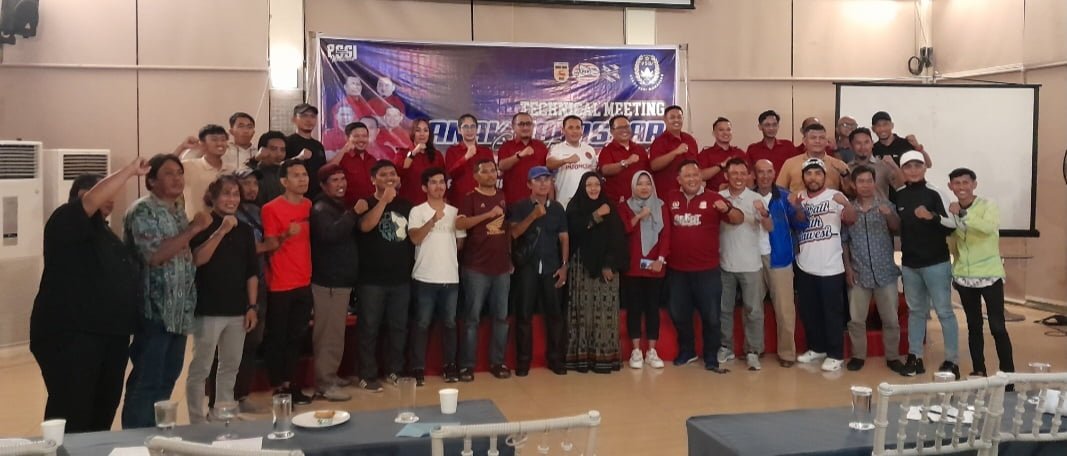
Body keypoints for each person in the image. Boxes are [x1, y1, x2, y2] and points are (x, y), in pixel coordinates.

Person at [30, 160, 147, 432]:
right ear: (80, 196)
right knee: (73, 409)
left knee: (102, 409)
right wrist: (129, 171)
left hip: (110, 334)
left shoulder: (105, 233)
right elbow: (92, 199)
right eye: (103, 192)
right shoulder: (64, 220)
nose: (110, 198)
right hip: (73, 335)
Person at [122, 154, 211, 429]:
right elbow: (154, 255)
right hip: (155, 311)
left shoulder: (177, 209)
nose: (177, 178)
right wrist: (194, 229)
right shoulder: (142, 211)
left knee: (167, 378)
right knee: (147, 380)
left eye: (180, 173)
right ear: (151, 181)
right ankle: (135, 438)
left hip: (179, 311)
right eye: (169, 173)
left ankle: (156, 433)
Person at [185, 175, 259, 423]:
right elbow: (198, 259)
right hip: (208, 308)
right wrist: (221, 231)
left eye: (236, 194)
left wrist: (252, 306)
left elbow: (251, 271)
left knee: (231, 365)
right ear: (214, 197)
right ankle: (197, 418)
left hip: (238, 308)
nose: (232, 199)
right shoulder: (202, 224)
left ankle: (223, 411)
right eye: (226, 194)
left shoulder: (245, 230)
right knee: (202, 367)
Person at [205, 168, 278, 414]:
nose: (250, 189)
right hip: (223, 292)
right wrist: (267, 245)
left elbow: (253, 258)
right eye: (244, 184)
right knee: (218, 351)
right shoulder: (210, 220)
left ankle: (239, 395)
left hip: (256, 284)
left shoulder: (256, 213)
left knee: (249, 343)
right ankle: (214, 401)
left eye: (253, 184)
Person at [665, 160, 743, 372]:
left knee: (711, 317)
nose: (692, 179)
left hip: (707, 270)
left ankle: (710, 356)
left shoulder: (714, 198)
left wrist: (727, 208)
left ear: (701, 177)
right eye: (687, 176)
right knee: (679, 314)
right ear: (679, 180)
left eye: (695, 175)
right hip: (677, 270)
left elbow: (738, 219)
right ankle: (687, 351)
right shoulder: (671, 197)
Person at [892, 150, 960, 378]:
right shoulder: (899, 195)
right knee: (916, 312)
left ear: (924, 168)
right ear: (902, 170)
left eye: (917, 165)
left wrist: (932, 217)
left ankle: (952, 360)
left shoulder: (935, 192)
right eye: (908, 166)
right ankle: (915, 357)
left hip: (936, 263)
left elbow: (953, 224)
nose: (913, 170)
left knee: (944, 312)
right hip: (910, 264)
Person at [947, 167, 1014, 377]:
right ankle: (979, 370)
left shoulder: (988, 205)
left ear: (974, 184)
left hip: (989, 275)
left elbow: (987, 228)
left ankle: (1008, 374)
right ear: (950, 186)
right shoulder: (952, 211)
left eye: (965, 182)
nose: (961, 187)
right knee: (974, 326)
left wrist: (963, 214)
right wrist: (955, 269)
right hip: (964, 278)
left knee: (997, 326)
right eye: (957, 183)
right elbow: (954, 243)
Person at [354, 160, 415, 391]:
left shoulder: (407, 205)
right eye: (383, 174)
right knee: (369, 328)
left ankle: (395, 370)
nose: (389, 177)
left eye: (392, 173)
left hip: (401, 278)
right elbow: (366, 226)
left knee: (398, 327)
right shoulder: (364, 203)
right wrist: (383, 202)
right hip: (371, 279)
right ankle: (367, 374)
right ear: (373, 179)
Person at [792, 158, 856, 373]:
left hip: (831, 265)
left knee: (832, 313)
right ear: (803, 177)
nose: (813, 178)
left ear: (824, 176)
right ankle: (817, 348)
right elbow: (795, 223)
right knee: (810, 312)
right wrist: (796, 207)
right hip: (805, 264)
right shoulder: (798, 197)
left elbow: (851, 220)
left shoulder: (835, 196)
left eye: (818, 173)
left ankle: (835, 354)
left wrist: (846, 204)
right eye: (809, 174)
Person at [260, 159, 314, 405]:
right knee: (278, 338)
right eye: (296, 175)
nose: (303, 179)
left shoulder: (309, 205)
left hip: (304, 281)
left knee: (297, 337)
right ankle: (278, 387)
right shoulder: (271, 208)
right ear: (284, 181)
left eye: (304, 174)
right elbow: (269, 246)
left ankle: (290, 384)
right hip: (280, 283)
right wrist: (285, 235)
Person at [564, 172, 628, 373]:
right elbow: (575, 230)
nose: (593, 189)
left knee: (604, 313)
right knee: (582, 313)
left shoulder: (610, 207)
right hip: (580, 267)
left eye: (597, 185)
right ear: (582, 187)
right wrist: (596, 215)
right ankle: (581, 357)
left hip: (605, 268)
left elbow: (617, 238)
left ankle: (604, 357)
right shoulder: (574, 207)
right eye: (589, 185)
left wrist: (608, 264)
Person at [508, 166, 570, 376]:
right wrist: (533, 215)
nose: (543, 183)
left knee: (555, 316)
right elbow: (514, 233)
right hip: (527, 267)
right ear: (529, 184)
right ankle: (523, 361)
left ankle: (556, 359)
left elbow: (564, 237)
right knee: (524, 315)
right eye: (538, 180)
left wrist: (564, 265)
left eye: (547, 179)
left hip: (552, 266)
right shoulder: (520, 207)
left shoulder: (558, 208)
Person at [842, 165, 904, 373]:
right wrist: (848, 268)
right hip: (859, 272)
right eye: (861, 181)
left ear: (874, 183)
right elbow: (844, 242)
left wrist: (889, 215)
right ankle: (858, 356)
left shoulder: (886, 205)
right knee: (856, 319)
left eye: (869, 181)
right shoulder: (849, 211)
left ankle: (893, 357)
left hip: (885, 272)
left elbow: (897, 228)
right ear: (854, 184)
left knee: (891, 319)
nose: (866, 185)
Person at [455, 159, 513, 380]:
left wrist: (509, 258)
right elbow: (460, 224)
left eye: (493, 170)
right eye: (485, 171)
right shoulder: (469, 198)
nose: (490, 174)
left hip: (502, 268)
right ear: (476, 176)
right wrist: (487, 215)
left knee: (501, 318)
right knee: (472, 319)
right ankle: (467, 366)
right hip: (476, 268)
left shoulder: (502, 195)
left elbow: (507, 229)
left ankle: (498, 362)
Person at [408, 167, 467, 385]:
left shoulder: (454, 212)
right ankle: (417, 368)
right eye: (433, 182)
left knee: (450, 324)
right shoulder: (417, 211)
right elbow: (415, 238)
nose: (439, 186)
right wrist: (433, 221)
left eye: (442, 182)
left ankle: (450, 366)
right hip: (424, 277)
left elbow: (460, 243)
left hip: (450, 278)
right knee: (422, 324)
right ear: (425, 187)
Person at [309, 164, 359, 402]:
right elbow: (330, 234)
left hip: (340, 281)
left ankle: (331, 375)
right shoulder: (321, 208)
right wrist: (353, 214)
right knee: (327, 335)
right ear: (323, 185)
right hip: (328, 281)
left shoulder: (338, 206)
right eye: (335, 180)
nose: (341, 184)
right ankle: (324, 383)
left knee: (336, 333)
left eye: (342, 178)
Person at [716, 158, 771, 371]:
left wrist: (763, 213)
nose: (738, 177)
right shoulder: (718, 198)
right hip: (725, 264)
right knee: (724, 309)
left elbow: (770, 227)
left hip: (751, 264)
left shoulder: (756, 198)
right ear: (726, 176)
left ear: (748, 176)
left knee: (754, 311)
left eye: (742, 173)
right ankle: (725, 347)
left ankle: (753, 351)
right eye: (734, 173)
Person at [753, 159, 806, 368]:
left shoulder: (785, 197)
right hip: (752, 260)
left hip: (780, 258)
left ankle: (787, 353)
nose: (765, 176)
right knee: (753, 308)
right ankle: (754, 349)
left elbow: (801, 223)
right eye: (761, 172)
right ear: (754, 175)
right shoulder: (748, 196)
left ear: (774, 173)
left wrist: (798, 208)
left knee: (785, 310)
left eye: (769, 171)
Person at [617, 171, 670, 369]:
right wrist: (639, 216)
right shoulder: (625, 206)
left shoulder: (661, 206)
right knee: (634, 309)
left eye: (648, 183)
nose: (644, 187)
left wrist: (660, 259)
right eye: (640, 184)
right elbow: (624, 229)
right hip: (633, 267)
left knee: (652, 309)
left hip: (655, 267)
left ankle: (652, 351)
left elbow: (666, 235)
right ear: (633, 186)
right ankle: (636, 351)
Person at [777, 123, 850, 193]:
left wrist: (845, 174)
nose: (817, 141)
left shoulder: (839, 164)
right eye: (813, 138)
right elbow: (779, 191)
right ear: (804, 141)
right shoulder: (790, 163)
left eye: (821, 138)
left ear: (826, 141)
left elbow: (850, 192)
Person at [498, 112, 550, 206]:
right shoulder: (506, 146)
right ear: (513, 126)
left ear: (533, 126)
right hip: (513, 201)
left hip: (538, 202)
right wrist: (519, 156)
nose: (525, 127)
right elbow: (501, 166)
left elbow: (548, 175)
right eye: (521, 124)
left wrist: (550, 201)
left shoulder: (541, 146)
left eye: (528, 124)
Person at [182, 124, 232, 219]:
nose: (220, 143)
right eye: (214, 140)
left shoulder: (231, 170)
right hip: (195, 224)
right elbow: (163, 167)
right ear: (203, 144)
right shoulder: (189, 166)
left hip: (224, 224)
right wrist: (182, 147)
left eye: (223, 140)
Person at [547, 115, 598, 209]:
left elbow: (594, 174)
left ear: (582, 130)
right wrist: (565, 160)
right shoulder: (557, 148)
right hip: (564, 201)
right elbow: (549, 164)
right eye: (570, 128)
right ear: (563, 130)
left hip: (586, 201)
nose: (575, 131)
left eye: (578, 128)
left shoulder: (589, 149)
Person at [597, 115, 649, 204]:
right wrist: (626, 162)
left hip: (641, 202)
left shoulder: (640, 149)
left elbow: (648, 173)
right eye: (620, 128)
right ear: (612, 131)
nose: (624, 130)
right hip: (618, 203)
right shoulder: (607, 150)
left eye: (627, 126)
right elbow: (605, 170)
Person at [649, 105, 699, 196]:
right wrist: (675, 152)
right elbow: (654, 166)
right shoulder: (659, 142)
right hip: (668, 194)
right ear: (665, 119)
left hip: (691, 194)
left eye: (679, 117)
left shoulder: (690, 139)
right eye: (672, 117)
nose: (676, 120)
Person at [179, 113, 258, 170]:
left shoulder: (258, 152)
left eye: (249, 127)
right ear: (231, 131)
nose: (246, 131)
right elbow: (186, 161)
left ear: (254, 131)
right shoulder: (222, 149)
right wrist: (197, 147)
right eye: (241, 126)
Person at [446, 114, 495, 204]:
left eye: (472, 126)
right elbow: (450, 174)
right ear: (459, 130)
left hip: (483, 200)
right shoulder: (452, 151)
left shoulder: (486, 151)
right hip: (459, 199)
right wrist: (466, 157)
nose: (469, 130)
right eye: (465, 127)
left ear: (476, 129)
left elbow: (492, 176)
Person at [326, 121, 377, 207]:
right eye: (356, 136)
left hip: (373, 207)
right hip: (350, 209)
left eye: (364, 136)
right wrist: (344, 150)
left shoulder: (372, 160)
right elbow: (326, 172)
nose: (361, 139)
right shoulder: (342, 158)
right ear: (347, 138)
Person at [397, 118, 445, 205]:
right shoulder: (402, 153)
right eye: (418, 130)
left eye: (425, 130)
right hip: (409, 204)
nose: (422, 134)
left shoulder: (437, 155)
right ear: (413, 133)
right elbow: (401, 169)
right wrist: (414, 152)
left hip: (432, 204)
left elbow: (443, 179)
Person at [845, 127, 902, 198]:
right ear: (851, 146)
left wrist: (895, 167)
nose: (863, 147)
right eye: (858, 143)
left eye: (866, 142)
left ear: (872, 143)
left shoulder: (884, 165)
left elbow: (901, 187)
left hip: (882, 205)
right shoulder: (846, 169)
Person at [286, 103, 328, 199]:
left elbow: (323, 171)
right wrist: (299, 158)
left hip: (318, 197)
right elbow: (278, 168)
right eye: (304, 116)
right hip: (295, 197)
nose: (309, 120)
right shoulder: (287, 142)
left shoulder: (318, 145)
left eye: (312, 116)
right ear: (294, 119)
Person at [697, 117, 745, 191]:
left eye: (728, 130)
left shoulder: (739, 153)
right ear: (714, 133)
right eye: (721, 130)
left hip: (738, 195)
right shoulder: (706, 153)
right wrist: (721, 165)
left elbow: (748, 176)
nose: (725, 133)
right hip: (714, 195)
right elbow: (700, 175)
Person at [746, 110, 798, 176]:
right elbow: (749, 173)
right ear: (760, 127)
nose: (771, 128)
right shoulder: (753, 149)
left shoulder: (788, 146)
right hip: (761, 182)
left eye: (774, 125)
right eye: (767, 125)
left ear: (778, 126)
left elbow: (796, 170)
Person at [251, 131, 288, 206]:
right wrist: (255, 159)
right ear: (262, 150)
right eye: (273, 149)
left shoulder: (286, 173)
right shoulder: (253, 173)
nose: (279, 154)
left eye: (282, 150)